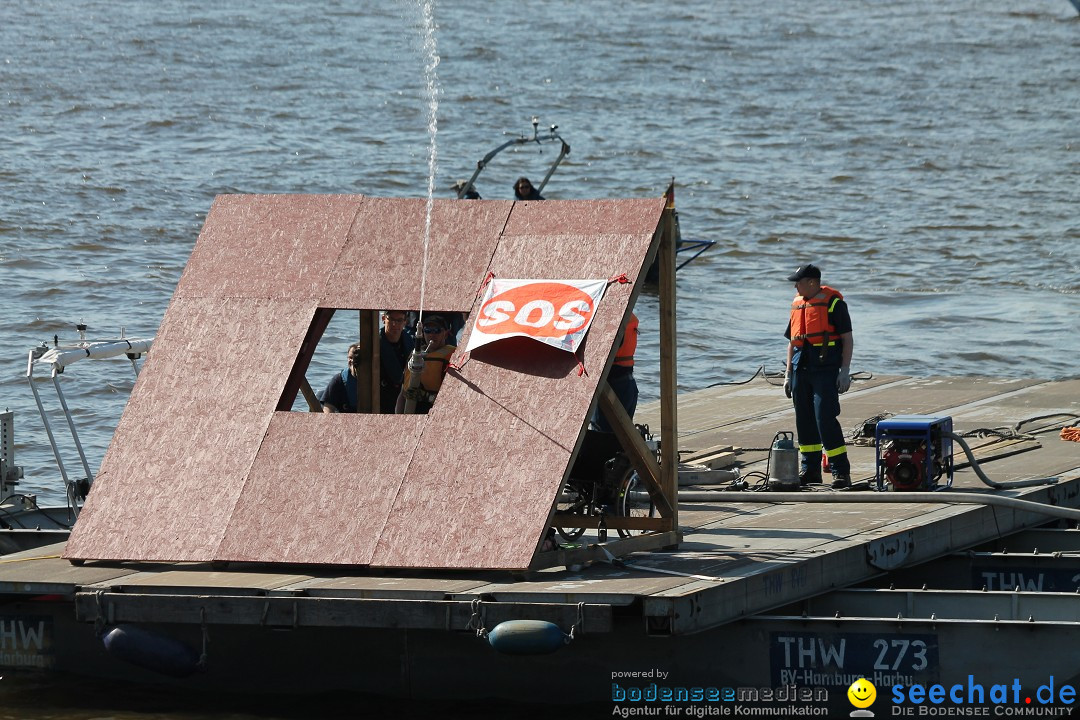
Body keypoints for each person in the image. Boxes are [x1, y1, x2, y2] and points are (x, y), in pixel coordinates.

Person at [782, 263, 854, 489]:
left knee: (825, 419)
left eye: (799, 282)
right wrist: (787, 374)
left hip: (825, 370)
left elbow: (847, 339)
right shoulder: (797, 305)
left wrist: (844, 371)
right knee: (804, 420)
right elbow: (792, 342)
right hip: (800, 370)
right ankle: (810, 470)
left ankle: (840, 472)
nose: (795, 286)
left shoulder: (834, 304)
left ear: (812, 282)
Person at [396, 314, 457, 414]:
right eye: (427, 330)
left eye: (437, 330)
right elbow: (403, 393)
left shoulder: (453, 356)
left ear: (446, 334)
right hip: (411, 412)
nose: (431, 335)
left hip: (436, 414)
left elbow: (454, 399)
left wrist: (426, 396)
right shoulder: (414, 355)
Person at [592, 312, 639, 432]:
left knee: (601, 435)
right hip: (627, 384)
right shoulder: (627, 317)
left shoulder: (613, 320)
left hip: (612, 387)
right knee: (621, 436)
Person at [380, 310, 413, 414]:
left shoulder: (410, 342)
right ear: (383, 319)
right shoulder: (374, 342)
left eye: (399, 320)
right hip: (381, 398)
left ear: (405, 322)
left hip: (403, 398)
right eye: (392, 319)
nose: (395, 324)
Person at [320, 342, 363, 413]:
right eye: (350, 358)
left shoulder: (375, 380)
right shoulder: (338, 380)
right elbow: (328, 409)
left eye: (356, 359)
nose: (352, 361)